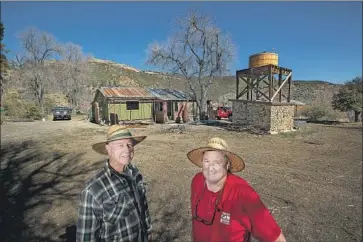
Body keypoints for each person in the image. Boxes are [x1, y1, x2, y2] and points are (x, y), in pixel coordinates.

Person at [188, 137, 287, 242]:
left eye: (217, 162)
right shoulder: (197, 181)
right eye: (207, 161)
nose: (210, 168)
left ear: (227, 165)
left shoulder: (244, 194)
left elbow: (276, 238)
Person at [76, 125, 152, 242]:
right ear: (108, 149)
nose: (127, 149)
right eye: (120, 145)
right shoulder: (93, 190)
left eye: (129, 144)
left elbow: (143, 208)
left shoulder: (136, 174)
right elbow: (85, 238)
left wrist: (148, 232)